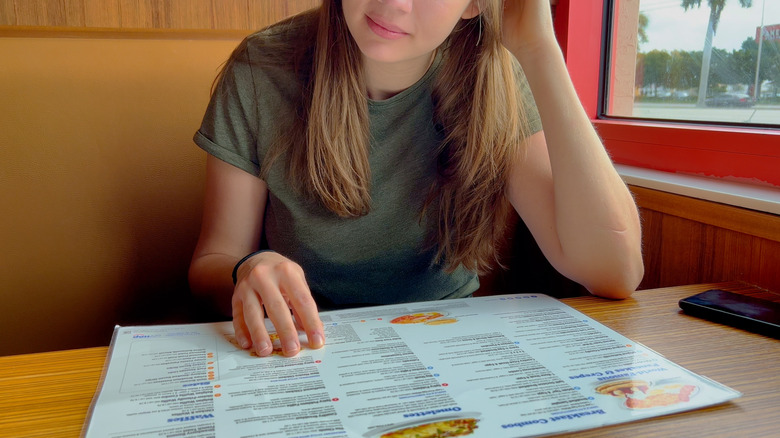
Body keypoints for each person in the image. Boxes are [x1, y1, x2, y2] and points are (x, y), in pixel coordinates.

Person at [189, 0, 644, 358]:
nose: (395, 2)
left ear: (474, 4)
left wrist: (539, 48)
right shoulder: (261, 68)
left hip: (448, 344)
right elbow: (214, 258)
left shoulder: (496, 81)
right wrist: (246, 270)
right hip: (303, 348)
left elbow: (615, 272)